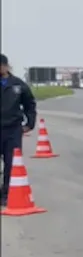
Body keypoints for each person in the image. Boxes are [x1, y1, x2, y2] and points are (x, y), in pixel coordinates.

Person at [0, 54, 37, 208]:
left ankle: (6, 194)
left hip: (13, 130)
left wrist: (30, 123)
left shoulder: (18, 85)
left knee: (11, 164)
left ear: (6, 66)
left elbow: (30, 103)